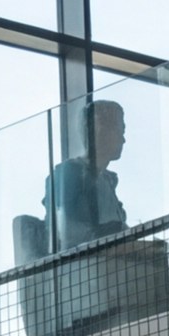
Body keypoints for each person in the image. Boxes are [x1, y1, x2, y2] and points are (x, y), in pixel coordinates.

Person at [43, 99, 133, 251]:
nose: (123, 140)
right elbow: (66, 231)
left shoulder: (108, 181)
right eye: (118, 131)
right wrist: (110, 235)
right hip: (83, 261)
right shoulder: (67, 174)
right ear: (97, 130)